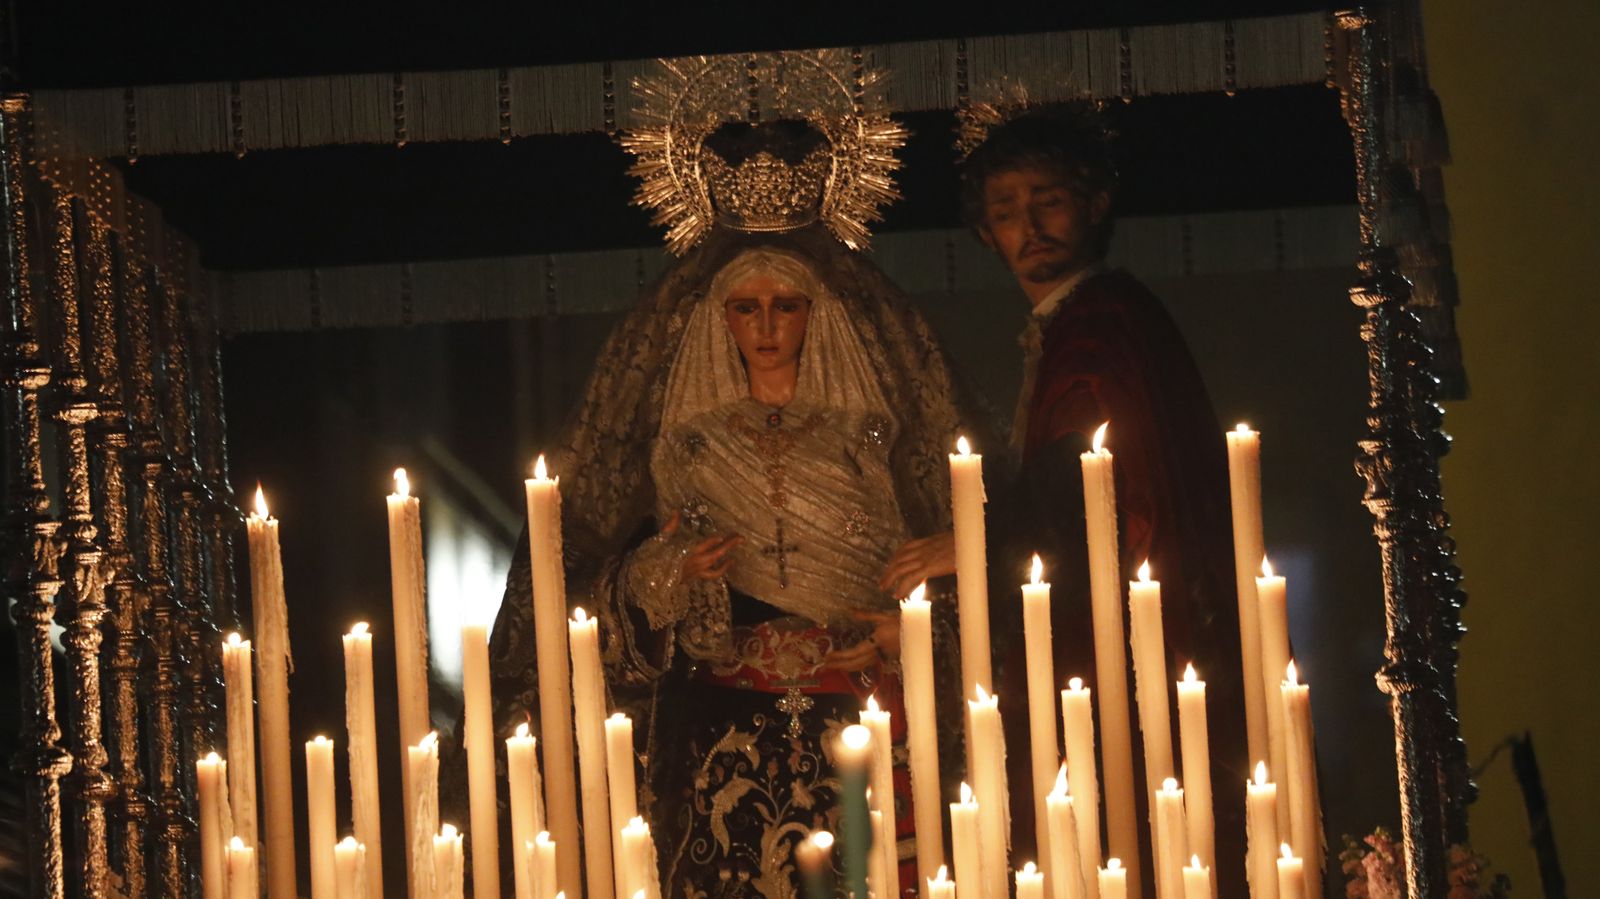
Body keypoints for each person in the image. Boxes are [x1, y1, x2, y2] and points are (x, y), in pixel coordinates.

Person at [464, 229, 979, 897]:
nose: (766, 326)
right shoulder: (691, 447)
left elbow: (920, 573)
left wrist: (906, 627)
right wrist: (667, 572)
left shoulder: (862, 437)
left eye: (786, 306)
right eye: (746, 308)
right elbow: (625, 594)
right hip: (729, 738)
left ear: (814, 313)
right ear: (721, 319)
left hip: (860, 714)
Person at [882, 104, 1251, 893]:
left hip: (1133, 640)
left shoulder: (1102, 324)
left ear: (1092, 202)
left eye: (1047, 200)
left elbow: (1094, 482)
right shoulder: (1080, 323)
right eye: (1006, 210)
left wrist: (974, 546)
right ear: (984, 231)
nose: (1029, 226)